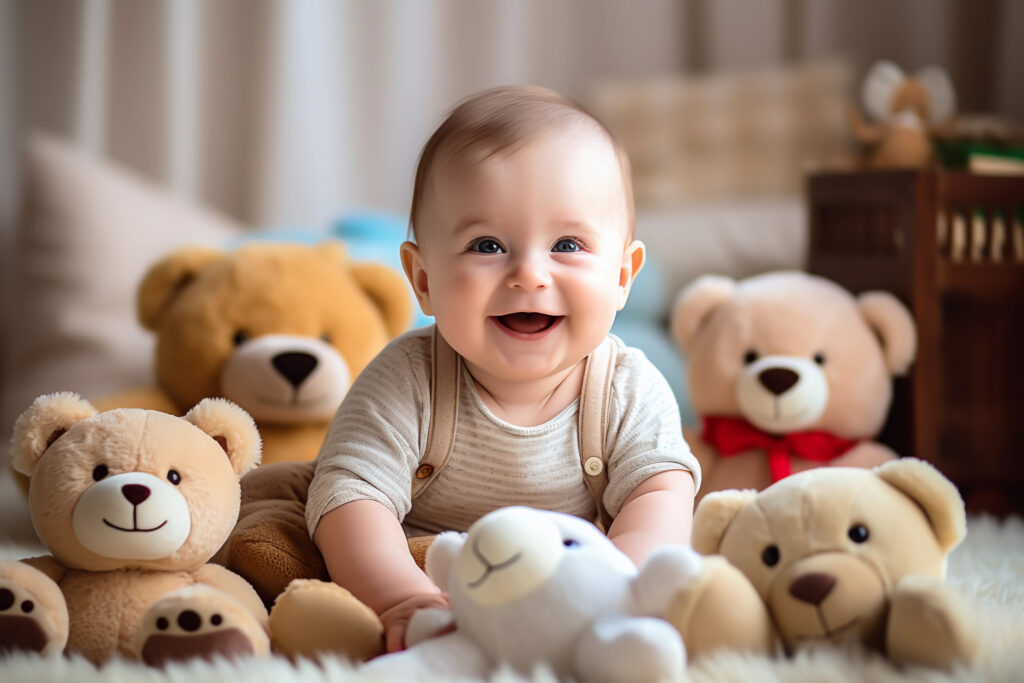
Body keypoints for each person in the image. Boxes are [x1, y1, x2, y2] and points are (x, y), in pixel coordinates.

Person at [306, 85, 700, 653]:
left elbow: (660, 497)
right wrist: (400, 597)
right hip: (430, 579)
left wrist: (617, 591)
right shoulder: (408, 380)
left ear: (622, 276)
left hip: (567, 589)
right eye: (487, 245)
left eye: (567, 243)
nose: (529, 275)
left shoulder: (626, 389)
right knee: (284, 542)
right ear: (423, 280)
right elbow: (349, 498)